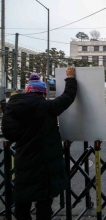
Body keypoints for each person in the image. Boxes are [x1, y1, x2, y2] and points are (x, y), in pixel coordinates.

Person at [1, 67, 77, 220]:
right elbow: (67, 97)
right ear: (43, 93)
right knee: (43, 203)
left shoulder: (12, 108)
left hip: (23, 160)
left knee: (22, 201)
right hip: (44, 163)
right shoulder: (46, 107)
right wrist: (70, 79)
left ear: (28, 91)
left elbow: (9, 134)